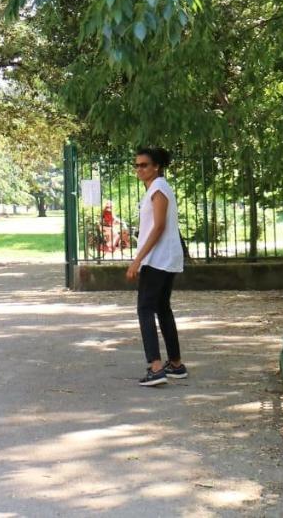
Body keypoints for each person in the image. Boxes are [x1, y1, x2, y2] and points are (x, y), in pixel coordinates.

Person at [125, 147, 187, 387]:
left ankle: (156, 366)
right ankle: (176, 364)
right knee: (162, 308)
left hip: (157, 259)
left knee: (145, 309)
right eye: (137, 165)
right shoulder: (156, 188)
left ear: (157, 167)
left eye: (144, 165)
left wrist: (138, 259)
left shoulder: (159, 188)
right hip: (164, 258)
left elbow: (159, 227)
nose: (139, 169)